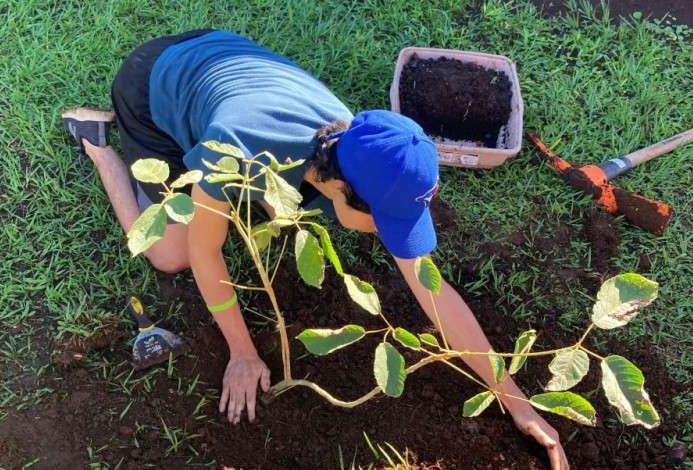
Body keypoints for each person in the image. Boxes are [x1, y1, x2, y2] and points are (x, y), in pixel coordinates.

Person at [62, 29, 569, 469]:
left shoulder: (361, 146)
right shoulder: (232, 150)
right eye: (381, 222)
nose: (381, 236)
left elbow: (433, 291)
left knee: (282, 213)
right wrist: (242, 352)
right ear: (337, 186)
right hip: (156, 87)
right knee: (171, 255)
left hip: (229, 66)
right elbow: (207, 254)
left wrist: (513, 397)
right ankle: (98, 145)